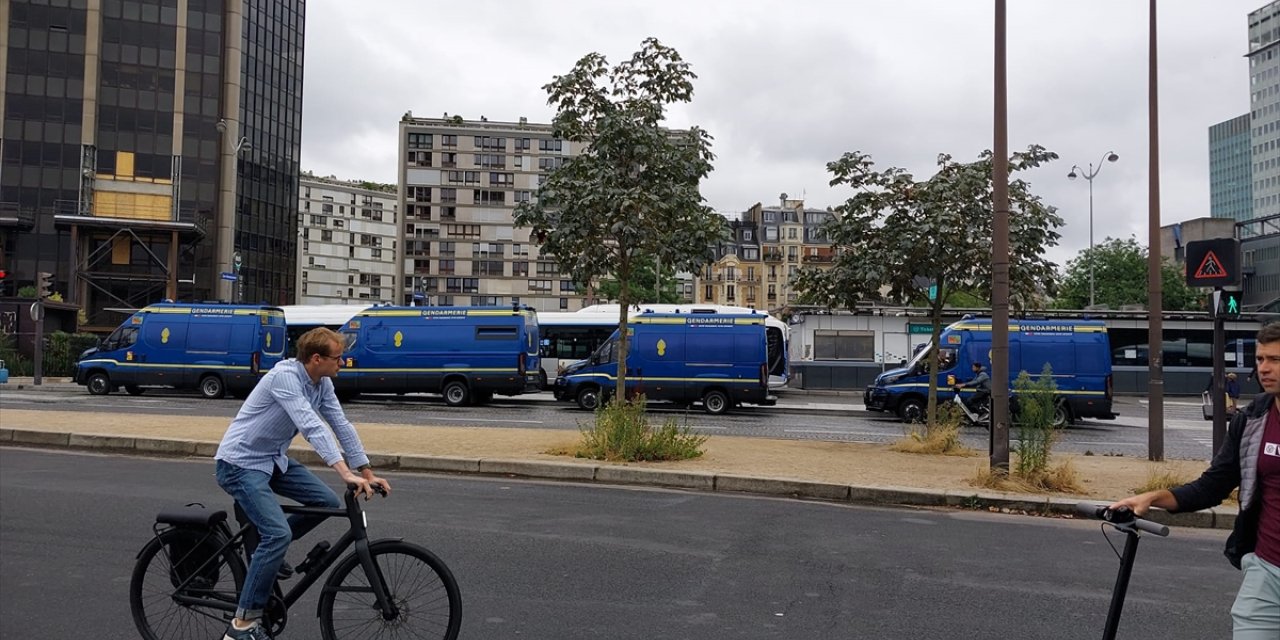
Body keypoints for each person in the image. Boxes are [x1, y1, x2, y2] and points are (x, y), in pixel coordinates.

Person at [214, 327, 391, 640]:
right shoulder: (284, 378)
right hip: (239, 464)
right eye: (338, 358)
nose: (343, 362)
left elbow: (341, 425)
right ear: (316, 358)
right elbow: (310, 426)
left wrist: (365, 471)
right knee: (278, 533)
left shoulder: (321, 384)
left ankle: (268, 549)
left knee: (324, 501)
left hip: (273, 459)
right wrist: (343, 472)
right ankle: (242, 626)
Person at [1110, 321, 1280, 639]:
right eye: (1260, 359)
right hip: (1267, 573)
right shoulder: (1252, 419)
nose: (1264, 368)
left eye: (1275, 360)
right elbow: (1212, 486)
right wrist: (1150, 497)